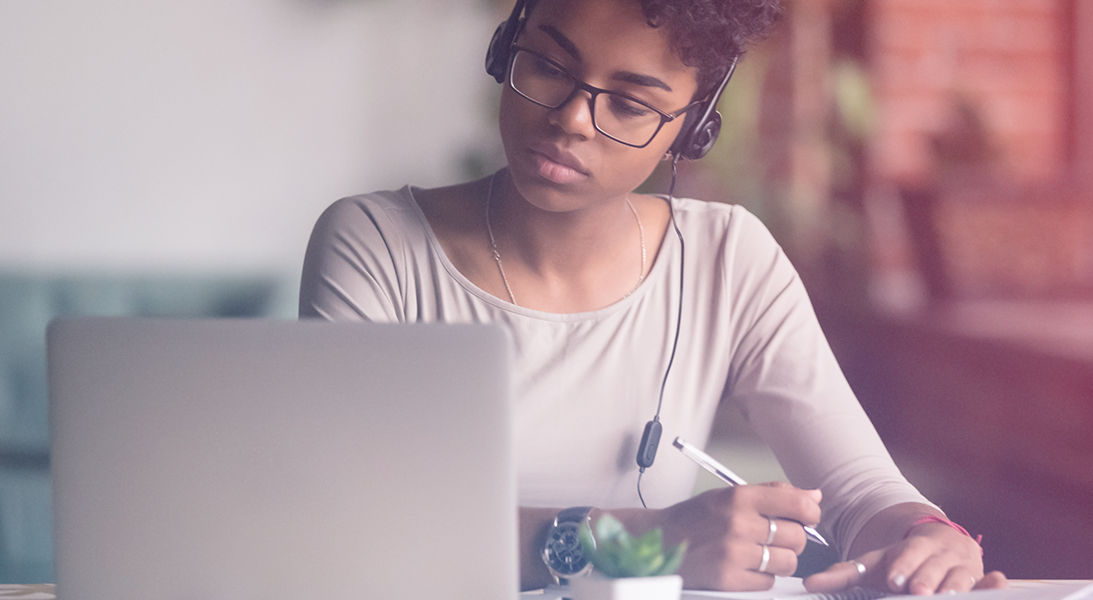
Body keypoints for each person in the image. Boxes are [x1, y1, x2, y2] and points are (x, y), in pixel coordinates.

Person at [299, 0, 1007, 593]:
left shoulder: (730, 258)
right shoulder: (375, 243)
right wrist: (642, 537)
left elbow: (857, 490)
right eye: (547, 66)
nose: (572, 119)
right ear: (504, 52)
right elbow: (350, 527)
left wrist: (929, 538)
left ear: (691, 129)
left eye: (632, 104)